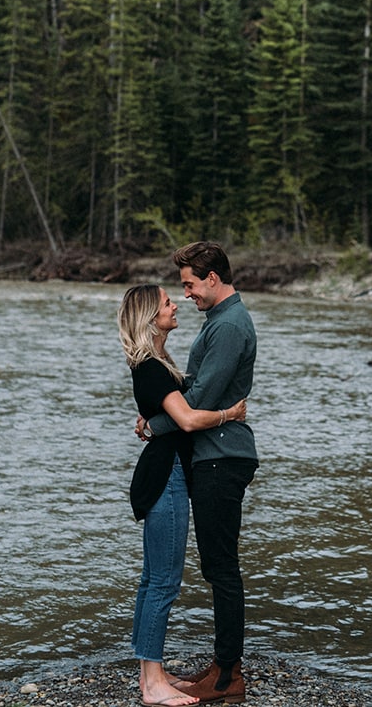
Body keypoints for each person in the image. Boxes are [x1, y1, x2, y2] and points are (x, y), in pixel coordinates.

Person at [139, 242, 258, 705]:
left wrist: (156, 423)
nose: (186, 293)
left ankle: (228, 675)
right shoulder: (219, 323)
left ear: (212, 278)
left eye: (189, 283)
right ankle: (222, 665)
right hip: (213, 453)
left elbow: (202, 398)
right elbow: (194, 387)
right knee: (217, 565)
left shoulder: (229, 325)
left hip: (221, 456)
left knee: (221, 567)